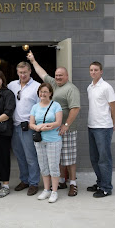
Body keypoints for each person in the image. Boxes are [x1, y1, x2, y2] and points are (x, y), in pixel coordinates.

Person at [27, 51, 81, 197]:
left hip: (66, 128)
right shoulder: (53, 85)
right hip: (53, 131)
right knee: (57, 158)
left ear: (67, 76)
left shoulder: (71, 89)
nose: (58, 77)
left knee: (68, 158)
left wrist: (66, 124)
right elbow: (42, 73)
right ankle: (61, 181)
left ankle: (73, 184)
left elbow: (75, 108)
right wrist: (33, 60)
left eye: (61, 75)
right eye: (56, 75)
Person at [7, 61, 41, 196]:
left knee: (31, 157)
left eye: (25, 72)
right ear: (17, 73)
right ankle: (24, 180)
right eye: (20, 72)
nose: (22, 75)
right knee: (19, 156)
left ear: (30, 71)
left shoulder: (37, 87)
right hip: (15, 126)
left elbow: (40, 107)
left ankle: (33, 183)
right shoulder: (12, 85)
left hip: (28, 127)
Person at [87, 61, 115, 198]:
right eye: (91, 70)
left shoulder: (106, 87)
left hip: (104, 127)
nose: (93, 72)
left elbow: (114, 107)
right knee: (94, 158)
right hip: (92, 126)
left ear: (101, 71)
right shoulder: (90, 87)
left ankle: (106, 188)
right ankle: (100, 183)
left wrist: (113, 123)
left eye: (96, 70)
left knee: (104, 159)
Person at [30, 83, 63, 203]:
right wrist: (37, 128)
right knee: (43, 166)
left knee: (53, 166)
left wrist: (47, 126)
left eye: (45, 92)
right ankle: (46, 189)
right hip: (40, 140)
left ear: (50, 93)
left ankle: (54, 192)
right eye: (41, 91)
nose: (42, 94)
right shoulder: (35, 107)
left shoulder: (56, 105)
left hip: (53, 140)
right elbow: (31, 123)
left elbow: (58, 122)